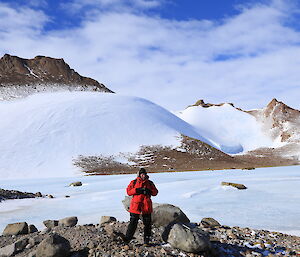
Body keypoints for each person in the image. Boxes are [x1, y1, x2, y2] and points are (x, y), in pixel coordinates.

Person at [124, 168, 158, 245]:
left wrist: (150, 191)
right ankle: (127, 239)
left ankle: (147, 240)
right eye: (142, 174)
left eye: (144, 174)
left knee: (147, 224)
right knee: (133, 222)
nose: (143, 176)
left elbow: (155, 192)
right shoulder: (134, 182)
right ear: (139, 175)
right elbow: (128, 192)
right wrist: (137, 190)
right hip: (135, 206)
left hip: (146, 206)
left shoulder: (150, 183)